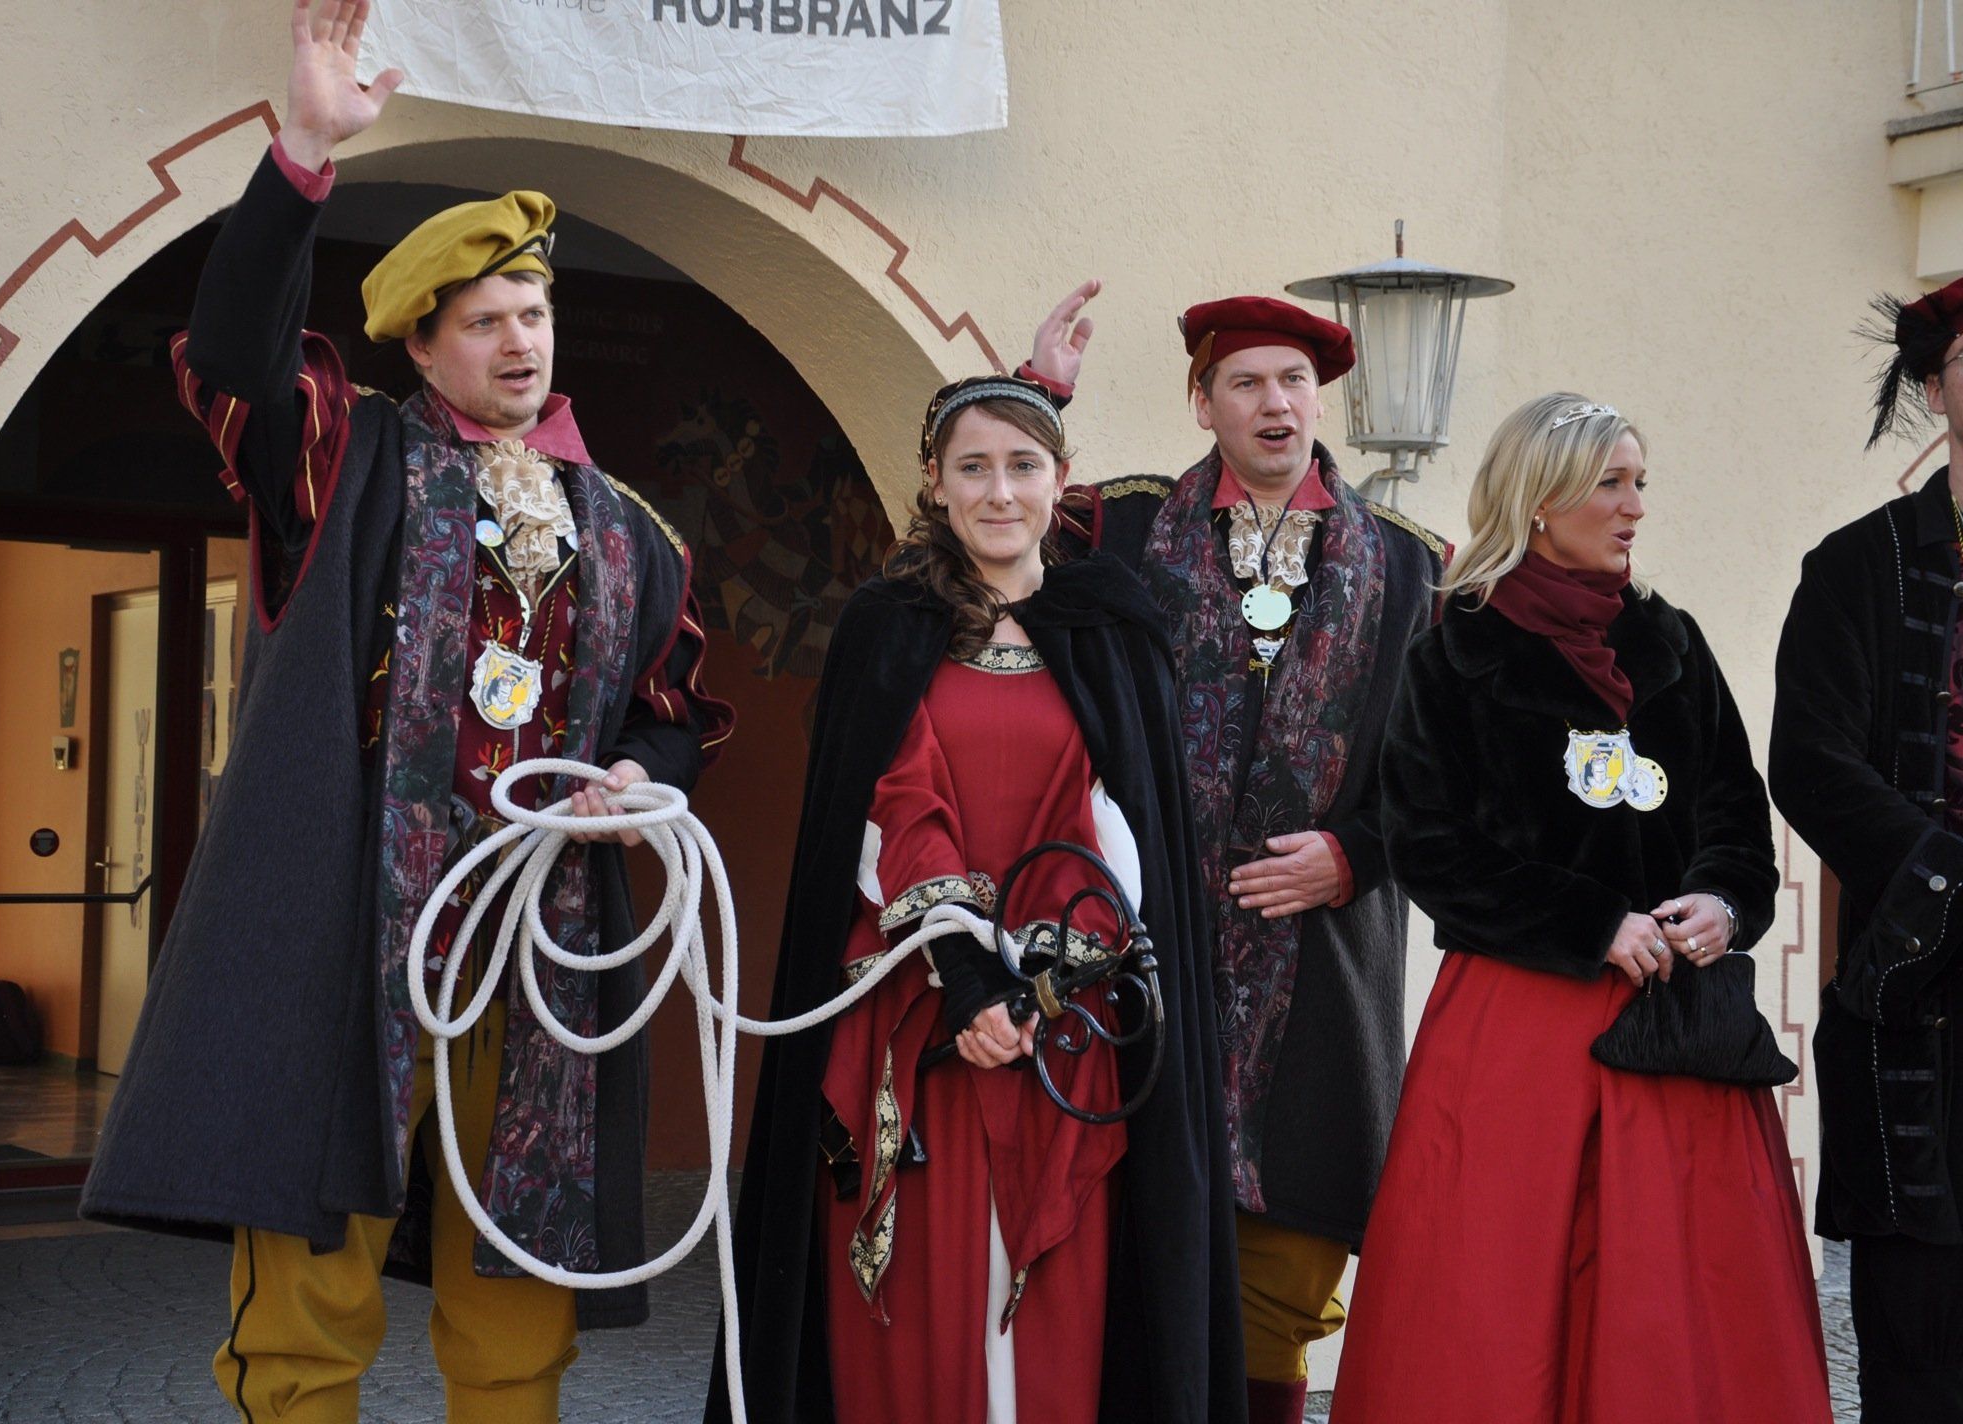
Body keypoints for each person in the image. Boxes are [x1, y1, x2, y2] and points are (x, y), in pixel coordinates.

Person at [78, 3, 733, 1420]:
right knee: (311, 1295)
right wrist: (303, 155)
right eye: (484, 321)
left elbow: (670, 706)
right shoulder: (349, 457)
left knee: (517, 1291)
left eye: (534, 315)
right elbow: (234, 358)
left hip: (543, 949)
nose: (519, 342)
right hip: (351, 934)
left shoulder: (633, 530)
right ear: (421, 348)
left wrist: (639, 774)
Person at [715, 376, 1247, 1423]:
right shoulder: (887, 626)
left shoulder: (1113, 627)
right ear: (934, 482)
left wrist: (1042, 979)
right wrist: (965, 977)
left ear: (1061, 479)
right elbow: (888, 803)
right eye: (972, 468)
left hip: (1068, 1024)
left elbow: (1122, 824)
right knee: (925, 1306)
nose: (999, 492)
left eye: (1022, 465)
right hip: (917, 1018)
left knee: (1064, 1313)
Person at [1329, 393, 1828, 1423]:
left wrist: (1723, 903)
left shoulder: (1673, 644)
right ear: (1538, 499)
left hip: (1675, 1037)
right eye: (1610, 482)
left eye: (1640, 481)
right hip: (1519, 1031)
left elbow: (1736, 815)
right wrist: (1591, 922)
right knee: (1498, 1297)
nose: (1634, 505)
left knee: (1680, 1308)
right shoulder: (1453, 655)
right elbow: (1427, 844)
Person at [1022, 285, 1445, 1424]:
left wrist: (1354, 853)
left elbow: (1454, 776)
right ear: (1201, 401)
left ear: (1321, 402)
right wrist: (1037, 394)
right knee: (1127, 1265)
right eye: (1245, 382)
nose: (1274, 403)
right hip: (1138, 957)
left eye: (1293, 382)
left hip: (1323, 978)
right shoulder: (1114, 527)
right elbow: (980, 534)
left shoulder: (1416, 568)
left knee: (1282, 1285)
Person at [1771, 274, 1963, 1423]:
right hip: (1913, 996)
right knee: (1916, 1352)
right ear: (1936, 388)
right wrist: (1944, 873)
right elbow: (1808, 762)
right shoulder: (1858, 565)